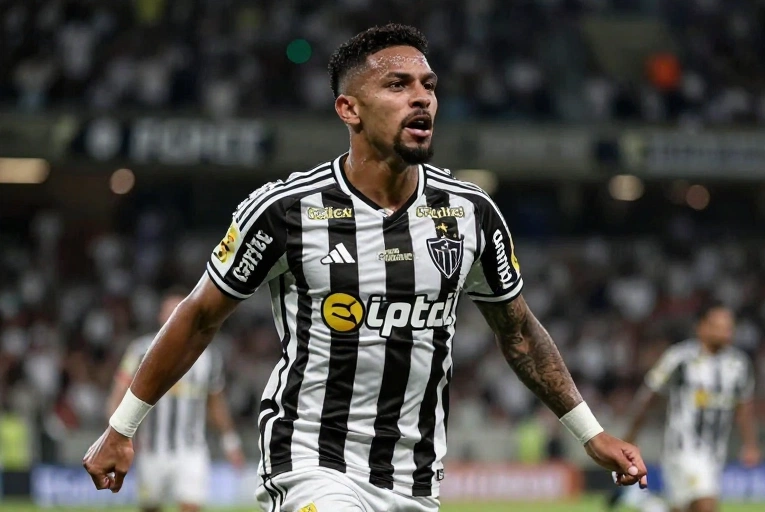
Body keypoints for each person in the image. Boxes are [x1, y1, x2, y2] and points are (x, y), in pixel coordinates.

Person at [84, 24, 648, 512]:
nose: (421, 98)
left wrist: (590, 433)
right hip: (310, 460)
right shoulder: (285, 211)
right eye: (398, 85)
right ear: (348, 109)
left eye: (429, 85)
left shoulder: (469, 213)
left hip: (416, 478)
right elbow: (199, 316)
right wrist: (121, 428)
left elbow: (519, 332)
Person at [105, 288, 245, 512]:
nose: (174, 318)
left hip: (191, 449)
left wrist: (231, 442)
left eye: (180, 312)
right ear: (160, 316)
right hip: (151, 448)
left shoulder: (208, 356)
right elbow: (118, 395)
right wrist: (118, 437)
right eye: (169, 312)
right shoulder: (140, 351)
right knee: (150, 508)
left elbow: (215, 402)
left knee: (191, 507)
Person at [623, 301, 759, 512]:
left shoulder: (738, 364)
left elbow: (744, 406)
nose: (726, 332)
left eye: (729, 327)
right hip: (683, 449)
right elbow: (649, 396)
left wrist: (750, 444)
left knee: (686, 508)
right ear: (702, 327)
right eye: (719, 326)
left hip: (715, 452)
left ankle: (649, 506)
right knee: (706, 505)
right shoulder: (680, 358)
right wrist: (630, 437)